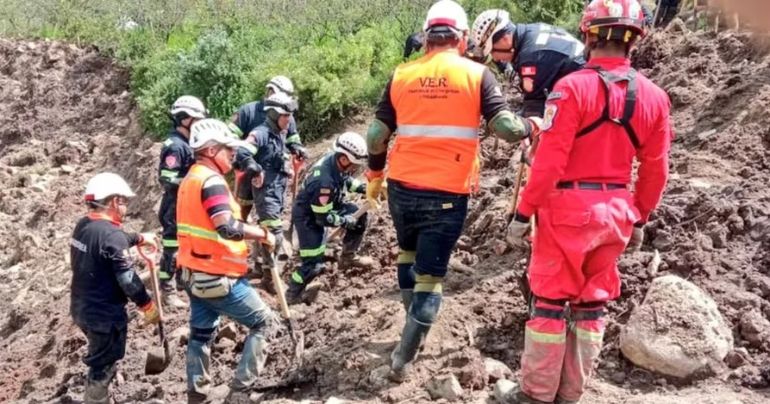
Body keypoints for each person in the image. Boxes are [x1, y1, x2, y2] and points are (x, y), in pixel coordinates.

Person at [504, 0, 673, 402]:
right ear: (635, 41)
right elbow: (656, 171)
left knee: (548, 303)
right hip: (616, 212)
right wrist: (640, 219)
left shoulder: (571, 88)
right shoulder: (654, 98)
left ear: (588, 35)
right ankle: (572, 392)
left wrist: (522, 213)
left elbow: (547, 162)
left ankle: (536, 394)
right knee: (591, 305)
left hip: (566, 210)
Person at [365, 0, 539, 383]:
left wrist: (374, 176)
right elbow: (507, 130)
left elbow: (376, 136)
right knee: (430, 279)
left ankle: (410, 331)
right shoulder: (476, 75)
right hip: (446, 193)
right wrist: (533, 126)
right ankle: (403, 358)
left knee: (407, 256)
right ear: (461, 39)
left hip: (401, 188)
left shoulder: (401, 74)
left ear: (427, 38)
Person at [176, 118, 277, 403]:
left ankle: (197, 394)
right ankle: (240, 392)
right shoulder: (211, 181)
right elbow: (227, 226)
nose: (232, 155)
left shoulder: (190, 180)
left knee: (201, 333)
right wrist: (263, 234)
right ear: (210, 150)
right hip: (217, 275)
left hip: (193, 274)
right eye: (227, 149)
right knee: (265, 324)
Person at [70, 172, 159, 404]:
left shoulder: (84, 225)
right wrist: (147, 305)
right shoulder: (111, 235)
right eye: (124, 201)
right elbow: (128, 280)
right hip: (104, 316)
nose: (126, 206)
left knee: (101, 355)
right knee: (102, 367)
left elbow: (109, 243)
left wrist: (139, 238)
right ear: (114, 202)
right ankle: (96, 399)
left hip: (81, 308)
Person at [286, 132, 371, 304]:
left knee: (359, 216)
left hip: (327, 206)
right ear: (344, 159)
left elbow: (346, 180)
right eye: (354, 164)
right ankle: (291, 294)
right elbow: (323, 219)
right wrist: (345, 221)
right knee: (313, 265)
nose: (355, 168)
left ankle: (348, 257)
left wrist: (364, 189)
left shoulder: (335, 161)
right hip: (309, 218)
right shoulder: (323, 182)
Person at [233, 92, 299, 292]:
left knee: (268, 231)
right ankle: (270, 278)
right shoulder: (261, 133)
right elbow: (243, 151)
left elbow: (289, 144)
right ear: (273, 114)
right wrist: (253, 166)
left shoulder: (280, 131)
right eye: (285, 116)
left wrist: (297, 150)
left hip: (278, 190)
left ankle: (262, 269)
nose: (289, 120)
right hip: (266, 192)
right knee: (275, 234)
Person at [471, 9, 586, 117]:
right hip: (585, 76)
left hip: (583, 91)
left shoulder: (530, 59)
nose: (495, 58)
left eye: (492, 51)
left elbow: (535, 108)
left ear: (505, 39)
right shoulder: (530, 32)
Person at [230, 76, 308, 221]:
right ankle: (241, 232)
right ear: (270, 91)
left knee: (271, 209)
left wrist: (297, 148)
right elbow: (230, 136)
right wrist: (238, 157)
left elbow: (292, 137)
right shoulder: (248, 111)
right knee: (243, 206)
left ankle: (265, 235)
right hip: (249, 167)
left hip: (272, 169)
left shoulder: (287, 114)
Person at [157, 95, 207, 309]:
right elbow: (167, 178)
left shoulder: (186, 143)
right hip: (174, 205)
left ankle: (182, 282)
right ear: (185, 119)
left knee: (187, 244)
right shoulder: (176, 146)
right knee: (172, 247)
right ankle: (167, 291)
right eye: (197, 119)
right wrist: (191, 181)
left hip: (185, 204)